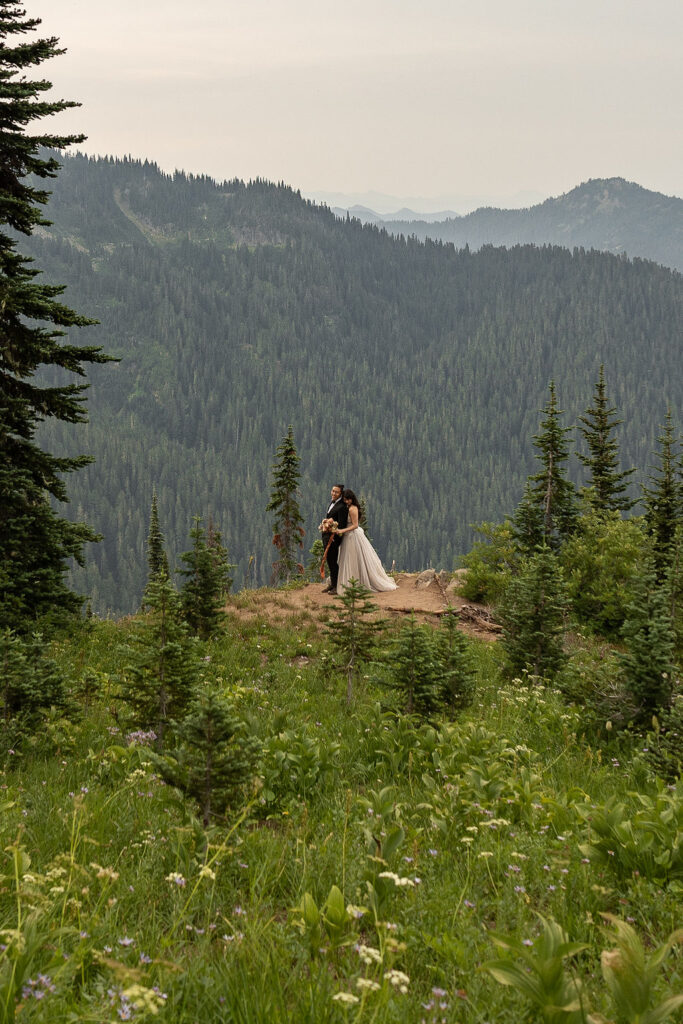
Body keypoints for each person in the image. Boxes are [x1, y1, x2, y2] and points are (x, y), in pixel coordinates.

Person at [335, 489, 397, 594]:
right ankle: (350, 582)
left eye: (347, 499)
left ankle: (354, 583)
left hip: (352, 536)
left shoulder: (353, 509)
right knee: (348, 559)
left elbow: (355, 525)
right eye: (344, 499)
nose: (346, 501)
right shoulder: (347, 507)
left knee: (353, 559)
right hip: (347, 536)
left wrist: (341, 530)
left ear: (351, 499)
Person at [320, 484, 348, 593]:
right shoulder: (332, 502)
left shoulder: (342, 507)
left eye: (336, 492)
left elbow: (341, 525)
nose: (333, 493)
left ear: (340, 493)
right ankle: (332, 584)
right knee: (329, 561)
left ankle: (336, 587)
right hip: (327, 536)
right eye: (332, 491)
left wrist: (330, 526)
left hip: (333, 538)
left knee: (333, 562)